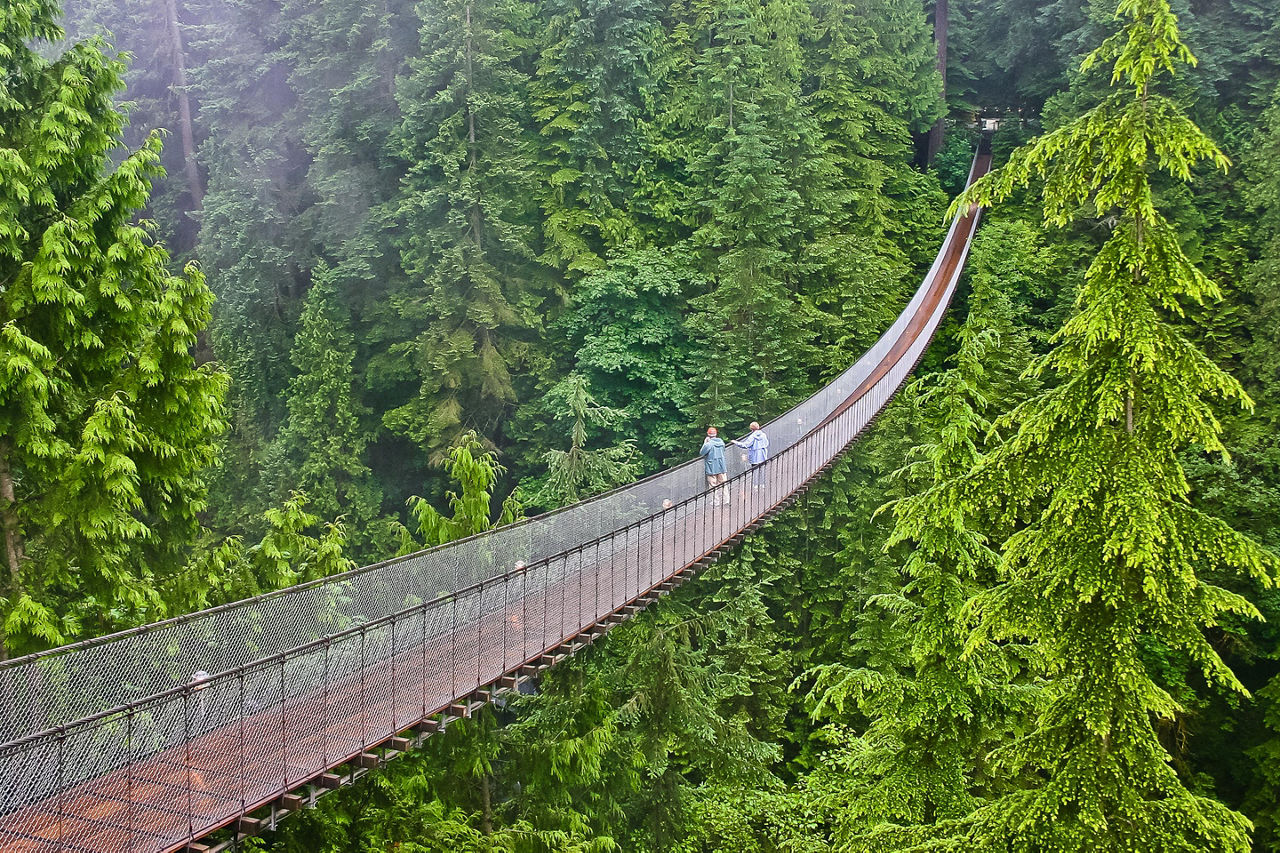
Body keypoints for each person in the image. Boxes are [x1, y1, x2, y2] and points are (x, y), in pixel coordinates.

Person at [731, 422, 769, 489]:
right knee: (762, 470)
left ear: (751, 428)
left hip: (755, 457)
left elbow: (745, 445)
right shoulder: (763, 435)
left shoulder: (752, 436)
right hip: (763, 456)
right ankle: (763, 484)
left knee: (755, 471)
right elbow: (767, 443)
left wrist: (736, 442)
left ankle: (755, 485)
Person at [699, 427, 728, 505]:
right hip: (721, 466)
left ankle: (716, 501)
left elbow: (702, 452)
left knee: (713, 485)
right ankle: (726, 500)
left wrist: (705, 442)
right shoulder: (721, 442)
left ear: (708, 434)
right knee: (724, 484)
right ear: (716, 434)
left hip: (711, 467)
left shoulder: (709, 444)